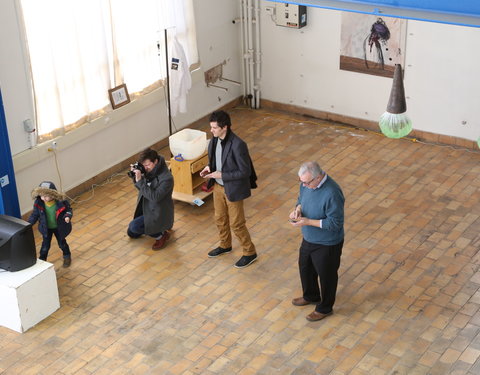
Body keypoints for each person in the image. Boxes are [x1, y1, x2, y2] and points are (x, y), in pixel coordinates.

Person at [200, 110, 258, 268]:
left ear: (224, 127)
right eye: (211, 127)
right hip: (218, 187)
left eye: (214, 128)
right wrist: (208, 168)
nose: (211, 130)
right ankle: (225, 245)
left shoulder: (238, 145)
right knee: (219, 219)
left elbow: (245, 171)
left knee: (237, 224)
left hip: (233, 189)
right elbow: (215, 161)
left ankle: (249, 252)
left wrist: (222, 174)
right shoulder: (213, 141)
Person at [289, 161, 345, 321]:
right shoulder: (305, 184)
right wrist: (297, 209)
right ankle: (311, 295)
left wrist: (307, 222)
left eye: (307, 182)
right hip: (309, 238)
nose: (304, 185)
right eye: (301, 182)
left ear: (319, 177)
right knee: (305, 268)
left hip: (328, 243)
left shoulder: (332, 193)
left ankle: (325, 307)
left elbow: (335, 224)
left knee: (327, 276)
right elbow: (301, 199)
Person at [127, 148, 174, 250]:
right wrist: (135, 177)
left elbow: (155, 197)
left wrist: (140, 181)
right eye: (143, 165)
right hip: (146, 208)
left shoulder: (167, 178)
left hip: (159, 212)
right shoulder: (148, 170)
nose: (145, 168)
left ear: (155, 161)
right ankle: (153, 229)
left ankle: (161, 235)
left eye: (147, 165)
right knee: (131, 233)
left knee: (134, 227)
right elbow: (141, 187)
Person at [28, 181, 73, 267]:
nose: (43, 198)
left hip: (59, 228)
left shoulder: (61, 202)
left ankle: (67, 256)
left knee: (62, 244)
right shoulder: (38, 203)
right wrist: (29, 224)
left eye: (46, 196)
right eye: (41, 196)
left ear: (53, 195)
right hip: (46, 228)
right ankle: (42, 261)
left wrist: (67, 216)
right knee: (45, 246)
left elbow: (69, 210)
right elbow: (35, 214)